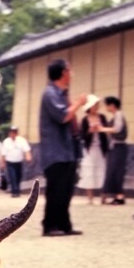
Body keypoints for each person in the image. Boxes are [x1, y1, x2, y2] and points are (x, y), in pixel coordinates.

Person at [38, 59, 87, 237]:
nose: (71, 74)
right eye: (69, 70)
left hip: (68, 150)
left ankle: (65, 225)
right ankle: (50, 225)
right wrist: (79, 103)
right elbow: (63, 116)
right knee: (56, 190)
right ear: (63, 73)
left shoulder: (61, 94)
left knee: (66, 189)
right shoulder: (50, 93)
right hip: (55, 151)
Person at [78, 96, 108, 204]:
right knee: (89, 171)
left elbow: (106, 131)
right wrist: (90, 131)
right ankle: (90, 197)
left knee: (102, 170)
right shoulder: (85, 120)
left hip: (101, 148)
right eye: (94, 105)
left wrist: (101, 130)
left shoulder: (102, 117)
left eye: (96, 105)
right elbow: (81, 136)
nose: (96, 107)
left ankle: (103, 196)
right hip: (89, 149)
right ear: (89, 107)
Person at [100, 96, 128, 204]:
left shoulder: (118, 115)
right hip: (115, 146)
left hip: (119, 146)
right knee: (114, 170)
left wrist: (103, 129)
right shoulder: (116, 115)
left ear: (111, 105)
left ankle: (119, 196)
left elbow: (117, 129)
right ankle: (117, 195)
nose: (106, 107)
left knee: (116, 171)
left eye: (107, 105)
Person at [0, 125, 32, 197]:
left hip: (19, 162)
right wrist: (2, 163)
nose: (13, 134)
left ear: (17, 133)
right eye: (12, 132)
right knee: (12, 176)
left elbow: (26, 150)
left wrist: (28, 157)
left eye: (14, 132)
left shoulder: (21, 140)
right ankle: (15, 192)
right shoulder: (6, 141)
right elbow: (3, 154)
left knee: (19, 176)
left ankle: (17, 190)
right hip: (10, 162)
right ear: (9, 133)